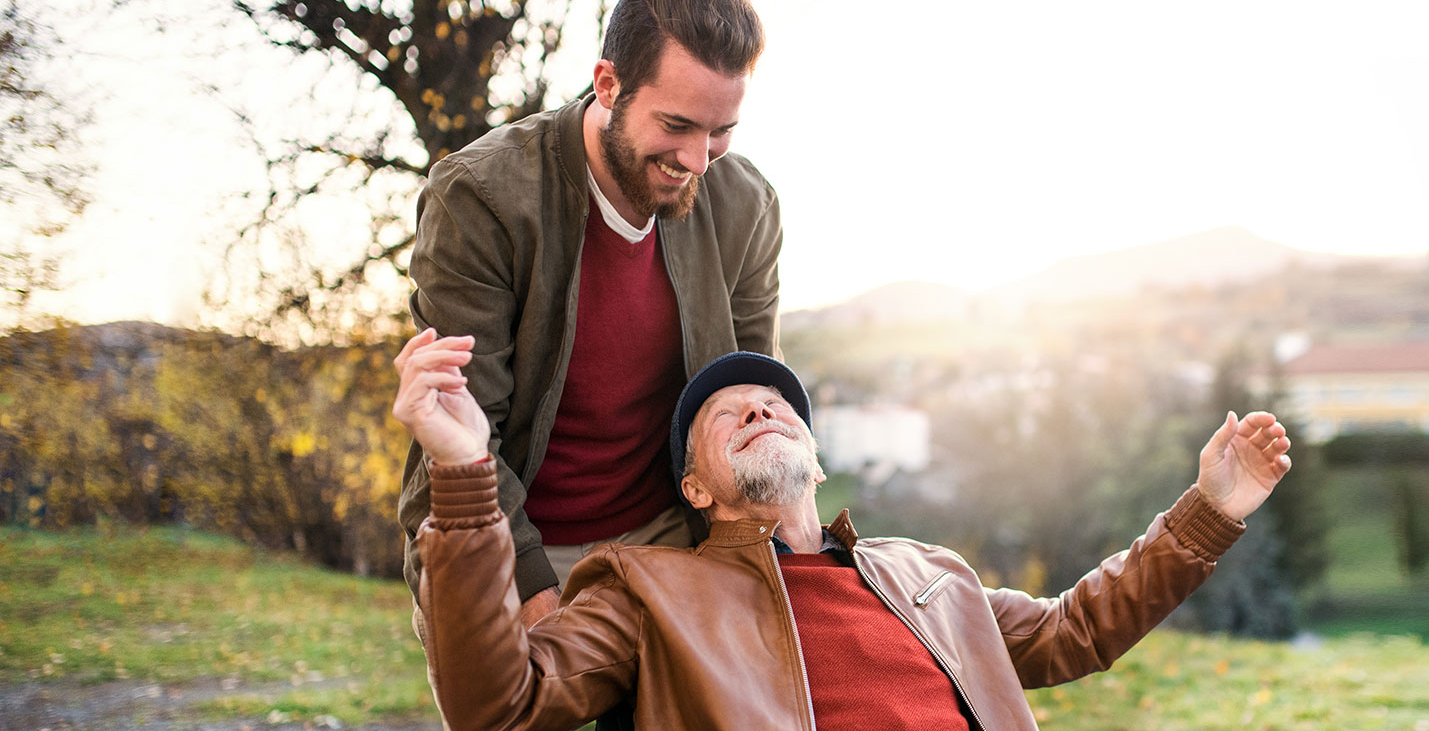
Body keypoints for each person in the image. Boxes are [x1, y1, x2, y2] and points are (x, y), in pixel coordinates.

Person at [394, 329, 1294, 730]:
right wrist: (467, 474)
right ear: (697, 490)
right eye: (726, 414)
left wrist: (1209, 510)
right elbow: (500, 709)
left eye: (776, 404)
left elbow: (1076, 630)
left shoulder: (927, 575)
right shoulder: (647, 589)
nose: (758, 409)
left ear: (818, 464)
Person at [396, 0, 782, 628]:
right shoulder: (480, 199)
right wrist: (539, 599)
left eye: (721, 131)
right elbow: (462, 434)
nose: (698, 159)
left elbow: (756, 403)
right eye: (676, 125)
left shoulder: (745, 204)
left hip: (670, 533)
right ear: (608, 84)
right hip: (506, 534)